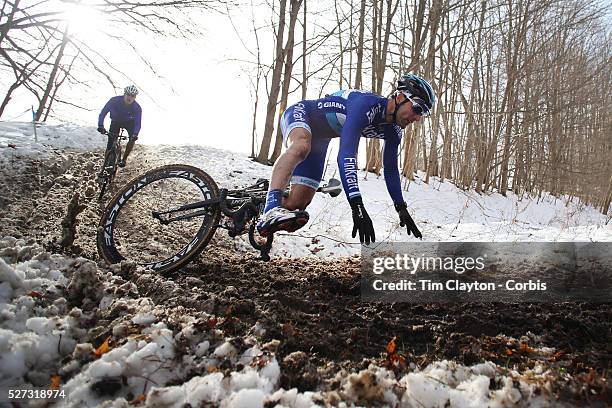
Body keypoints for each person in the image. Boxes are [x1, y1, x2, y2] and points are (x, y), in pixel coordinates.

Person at [256, 73, 435, 244]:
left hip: (321, 137)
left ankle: (254, 208)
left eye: (423, 113)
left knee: (297, 205)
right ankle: (270, 208)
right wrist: (356, 204)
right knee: (302, 146)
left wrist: (400, 207)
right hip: (302, 114)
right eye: (417, 108)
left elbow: (390, 169)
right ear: (399, 97)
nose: (418, 118)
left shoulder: (394, 130)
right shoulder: (366, 105)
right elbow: (346, 155)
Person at [97, 85, 142, 168]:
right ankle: (106, 163)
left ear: (135, 97)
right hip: (116, 121)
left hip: (129, 123)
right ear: (124, 94)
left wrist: (135, 134)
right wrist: (100, 125)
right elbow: (103, 113)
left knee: (132, 139)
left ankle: (124, 159)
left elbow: (138, 123)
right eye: (128, 94)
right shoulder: (114, 100)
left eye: (132, 96)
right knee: (110, 143)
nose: (129, 97)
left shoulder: (137, 107)